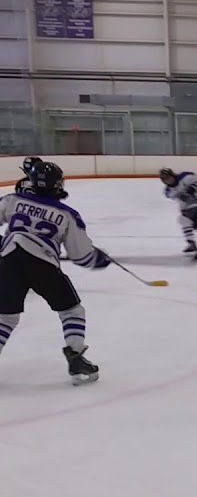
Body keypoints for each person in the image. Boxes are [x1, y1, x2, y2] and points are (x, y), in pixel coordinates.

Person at [0, 161, 111, 384]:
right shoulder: (67, 214)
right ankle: (76, 356)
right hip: (43, 265)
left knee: (5, 317)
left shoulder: (12, 200)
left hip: (9, 261)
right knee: (71, 310)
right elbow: (81, 256)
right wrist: (97, 259)